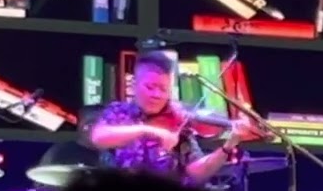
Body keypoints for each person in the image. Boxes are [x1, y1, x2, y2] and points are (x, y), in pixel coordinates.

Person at [87, 51, 256, 184]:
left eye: (163, 89)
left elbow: (196, 172)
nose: (157, 95)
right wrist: (149, 130)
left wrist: (229, 145)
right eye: (150, 87)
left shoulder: (178, 123)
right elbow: (99, 137)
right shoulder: (119, 111)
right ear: (134, 85)